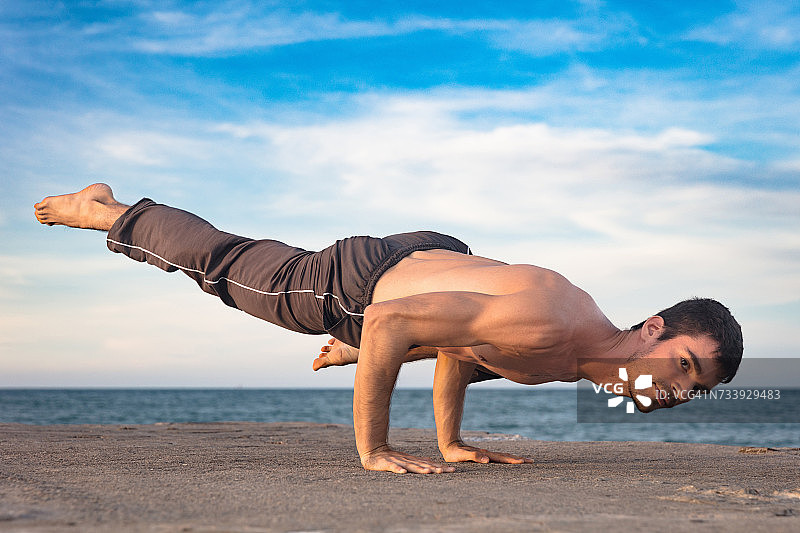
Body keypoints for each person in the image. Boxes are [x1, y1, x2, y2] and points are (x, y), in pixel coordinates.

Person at [34, 184, 743, 474]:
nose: (680, 390)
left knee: (406, 333)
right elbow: (392, 317)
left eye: (696, 388)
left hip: (432, 264)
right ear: (652, 329)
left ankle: (355, 347)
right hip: (361, 282)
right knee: (227, 268)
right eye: (684, 365)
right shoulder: (554, 321)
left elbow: (464, 351)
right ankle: (108, 209)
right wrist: (374, 448)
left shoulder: (578, 356)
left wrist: (450, 442)